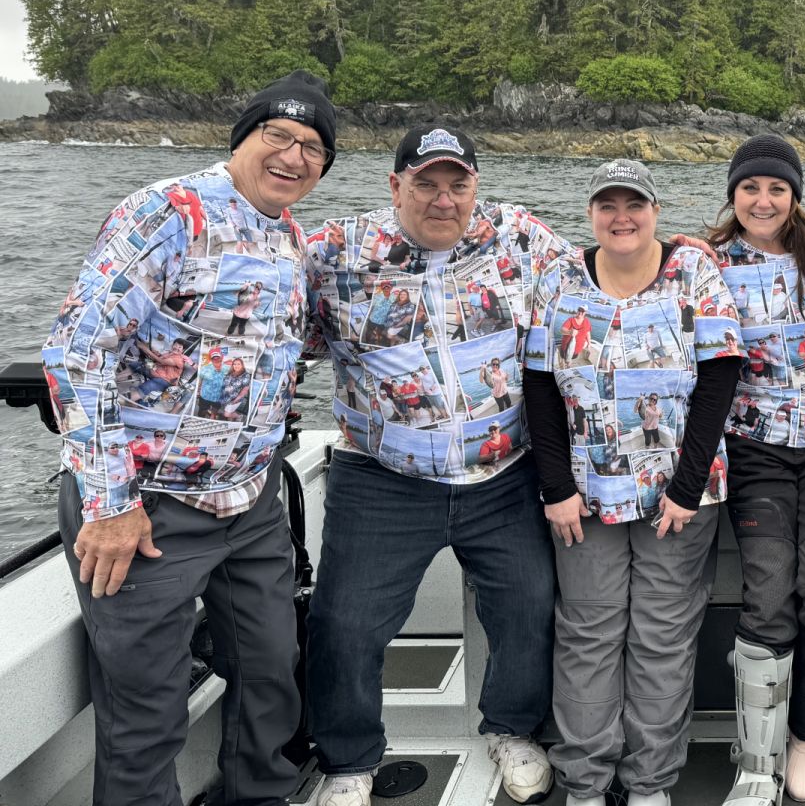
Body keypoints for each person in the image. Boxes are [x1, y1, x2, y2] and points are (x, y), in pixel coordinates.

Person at [43, 70, 336, 806]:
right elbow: (76, 352)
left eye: (313, 147)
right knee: (147, 704)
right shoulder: (166, 213)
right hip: (147, 508)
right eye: (278, 135)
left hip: (250, 499)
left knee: (271, 667)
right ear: (242, 138)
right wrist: (110, 504)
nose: (294, 156)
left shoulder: (290, 236)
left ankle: (259, 795)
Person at [304, 126, 570, 806]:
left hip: (503, 473)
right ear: (396, 186)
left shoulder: (521, 238)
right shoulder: (333, 251)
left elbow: (603, 283)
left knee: (530, 604)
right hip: (381, 477)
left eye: (458, 184)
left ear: (476, 187)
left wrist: (679, 256)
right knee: (345, 623)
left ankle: (511, 727)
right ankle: (348, 760)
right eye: (426, 183)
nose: (443, 199)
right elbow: (260, 324)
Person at [524, 158, 742, 806]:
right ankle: (586, 783)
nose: (622, 217)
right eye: (608, 205)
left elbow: (719, 381)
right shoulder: (558, 277)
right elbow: (539, 386)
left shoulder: (694, 270)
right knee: (587, 636)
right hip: (585, 496)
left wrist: (685, 487)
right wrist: (556, 487)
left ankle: (649, 783)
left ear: (655, 211)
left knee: (662, 639)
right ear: (591, 213)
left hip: (679, 496)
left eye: (634, 204)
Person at [702, 135, 805, 805]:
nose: (763, 200)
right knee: (768, 594)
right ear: (733, 194)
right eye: (750, 187)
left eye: (777, 188)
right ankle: (756, 760)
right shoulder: (708, 261)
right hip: (755, 448)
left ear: (795, 194)